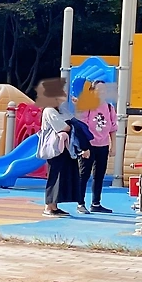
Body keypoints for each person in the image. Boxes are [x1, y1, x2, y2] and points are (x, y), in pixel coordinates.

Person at [37, 79, 86, 218]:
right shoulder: (49, 110)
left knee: (62, 176)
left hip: (64, 148)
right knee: (54, 176)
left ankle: (54, 206)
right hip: (54, 149)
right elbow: (65, 127)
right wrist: (70, 125)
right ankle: (48, 206)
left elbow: (75, 121)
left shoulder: (61, 110)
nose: (65, 93)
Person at [78, 83, 117, 213]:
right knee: (84, 175)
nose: (101, 92)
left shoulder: (110, 107)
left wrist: (113, 146)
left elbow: (113, 128)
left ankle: (96, 203)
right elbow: (81, 128)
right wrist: (84, 147)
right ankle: (80, 203)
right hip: (89, 145)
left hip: (103, 145)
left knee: (99, 175)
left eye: (104, 89)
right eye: (98, 89)